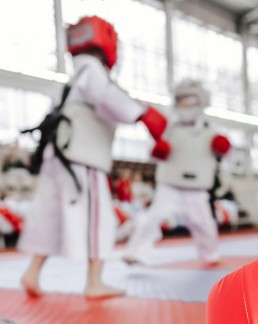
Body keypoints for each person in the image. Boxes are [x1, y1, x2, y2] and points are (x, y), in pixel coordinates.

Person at [18, 16, 169, 298]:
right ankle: (94, 282)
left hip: (58, 159)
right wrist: (143, 114)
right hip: (82, 160)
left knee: (51, 217)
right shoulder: (92, 71)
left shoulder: (70, 81)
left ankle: (32, 272)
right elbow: (107, 97)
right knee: (98, 219)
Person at [123, 79, 231, 266]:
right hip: (169, 183)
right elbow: (152, 154)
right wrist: (158, 151)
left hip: (197, 186)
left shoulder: (211, 129)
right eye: (182, 100)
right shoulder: (169, 127)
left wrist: (224, 148)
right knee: (154, 217)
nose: (186, 104)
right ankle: (135, 253)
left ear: (200, 101)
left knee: (203, 222)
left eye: (190, 100)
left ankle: (211, 255)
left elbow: (228, 156)